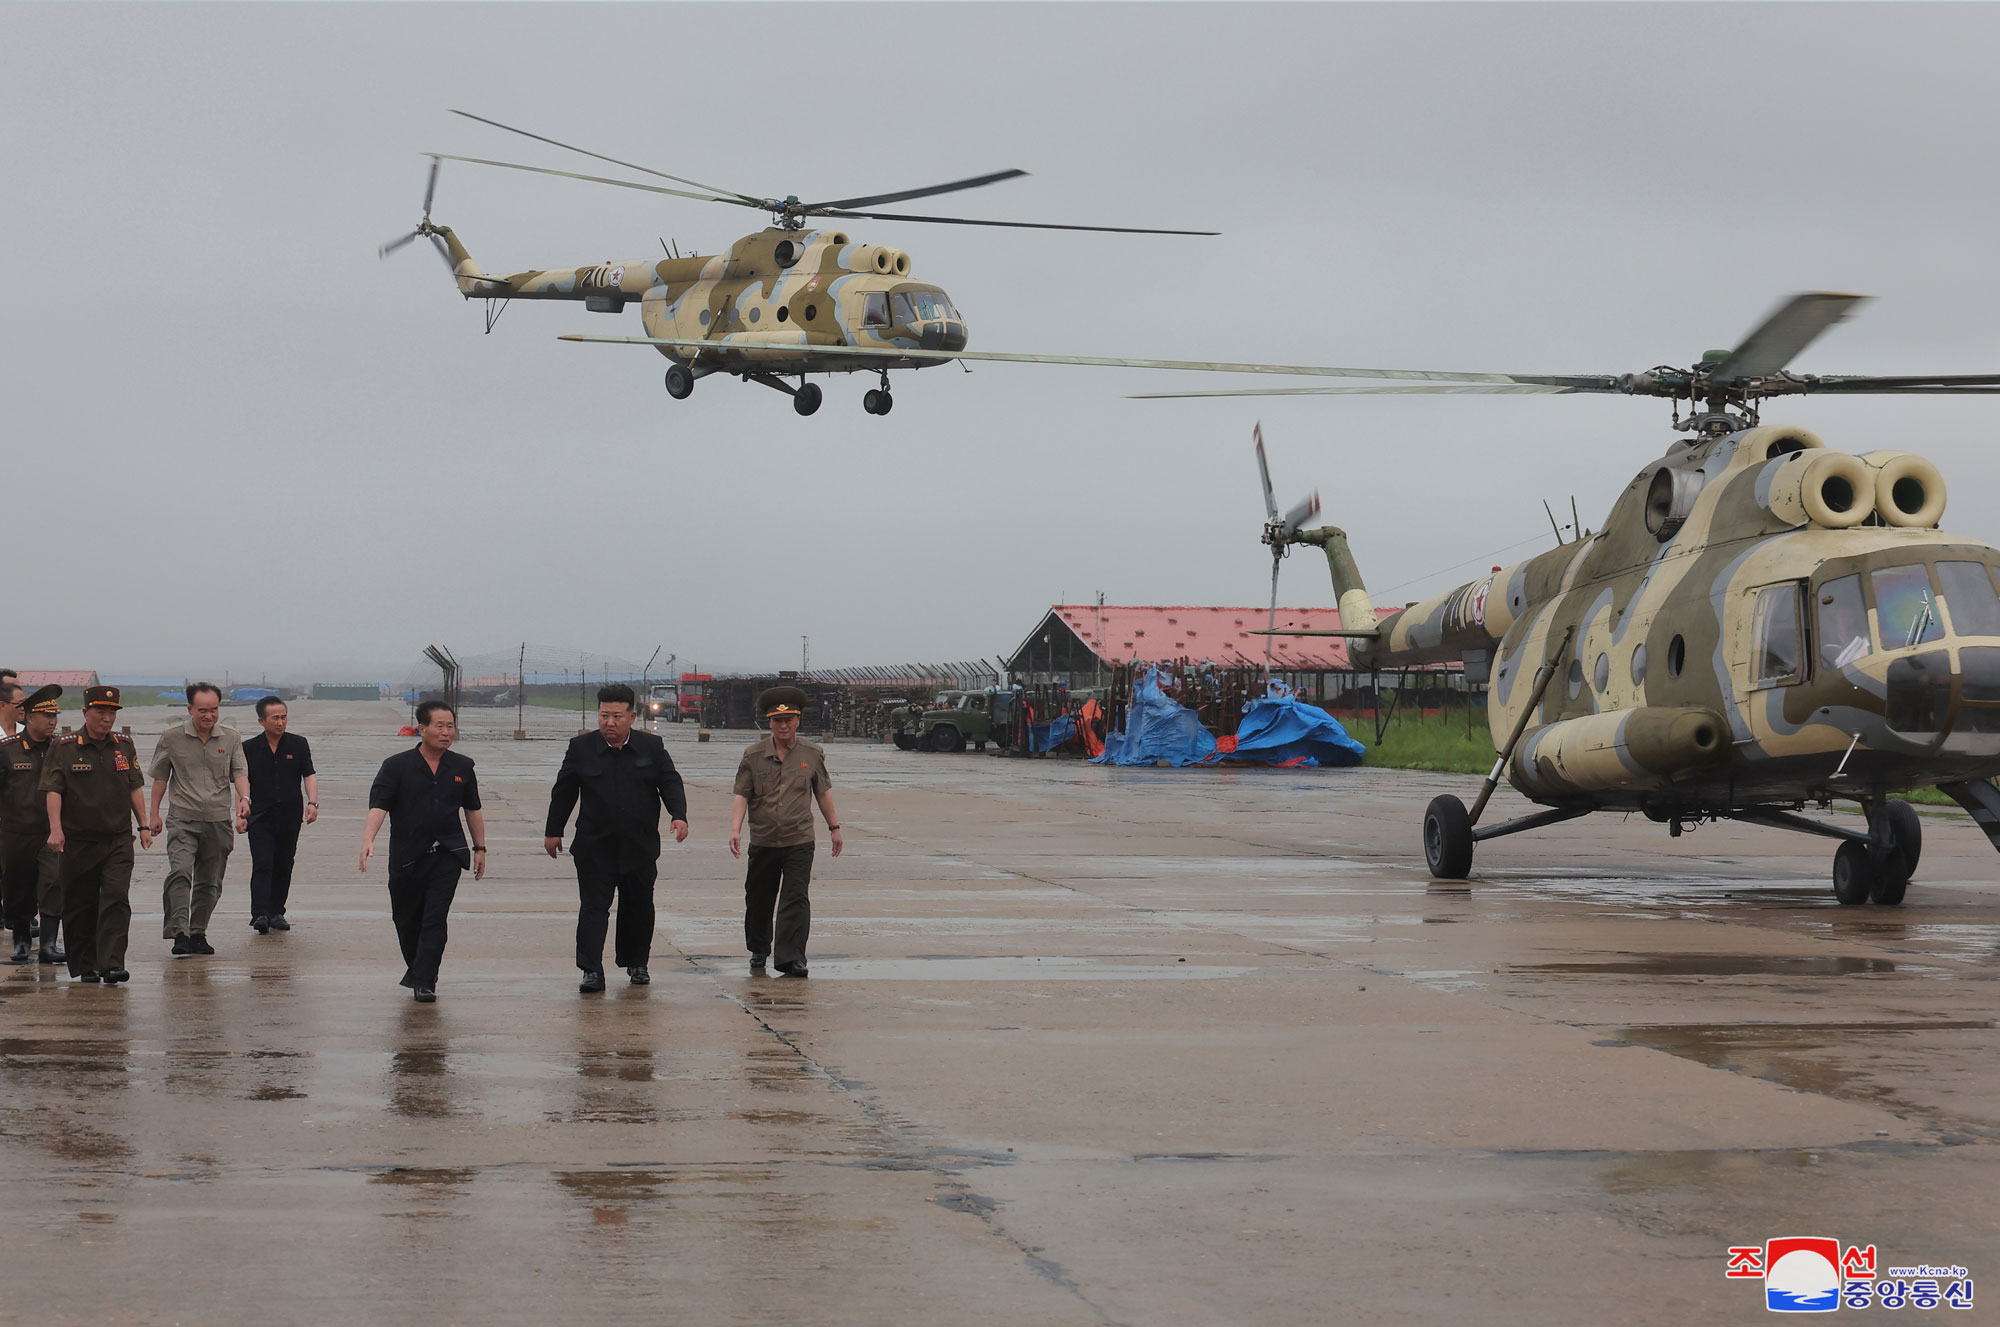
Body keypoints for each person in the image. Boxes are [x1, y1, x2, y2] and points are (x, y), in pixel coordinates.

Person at [544, 683, 688, 993]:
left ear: (632, 716)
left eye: (617, 716)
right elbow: (564, 791)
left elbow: (670, 783)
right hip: (595, 847)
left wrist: (679, 815)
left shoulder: (652, 747)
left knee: (638, 906)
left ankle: (637, 963)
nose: (610, 723)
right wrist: (553, 831)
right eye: (604, 716)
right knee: (594, 908)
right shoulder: (580, 748)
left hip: (639, 846)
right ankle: (591, 970)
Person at [360, 701, 485, 1003]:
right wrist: (368, 840)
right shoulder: (396, 765)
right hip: (407, 855)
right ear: (422, 728)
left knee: (434, 918)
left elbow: (473, 809)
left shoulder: (462, 766)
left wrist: (480, 847)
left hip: (447, 855)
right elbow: (379, 805)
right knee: (406, 919)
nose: (446, 732)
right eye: (439, 726)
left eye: (450, 726)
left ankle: (425, 979)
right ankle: (419, 969)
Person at [42, 686, 153, 984]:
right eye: (100, 712)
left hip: (117, 838)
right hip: (78, 840)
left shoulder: (123, 745)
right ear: (85, 713)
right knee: (80, 903)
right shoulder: (65, 746)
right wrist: (55, 829)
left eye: (112, 712)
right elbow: (54, 789)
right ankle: (85, 965)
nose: (107, 719)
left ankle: (112, 963)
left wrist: (143, 826)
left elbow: (134, 786)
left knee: (116, 898)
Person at [729, 686, 841, 977]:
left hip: (799, 838)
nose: (783, 725)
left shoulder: (812, 754)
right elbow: (742, 794)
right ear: (769, 722)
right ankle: (759, 948)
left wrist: (835, 828)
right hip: (764, 839)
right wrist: (735, 830)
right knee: (759, 897)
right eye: (777, 720)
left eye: (789, 719)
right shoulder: (753, 756)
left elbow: (823, 794)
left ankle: (792, 957)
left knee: (795, 897)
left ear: (798, 720)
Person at [147, 683, 249, 958]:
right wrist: (154, 813)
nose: (209, 715)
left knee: (210, 882)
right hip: (183, 819)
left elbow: (239, 772)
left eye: (214, 710)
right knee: (180, 872)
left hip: (217, 820)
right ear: (190, 709)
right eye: (202, 710)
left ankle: (198, 932)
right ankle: (179, 932)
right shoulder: (172, 737)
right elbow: (160, 777)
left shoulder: (231, 737)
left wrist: (244, 799)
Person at [242, 696, 318, 934]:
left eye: (283, 717)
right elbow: (242, 782)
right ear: (261, 720)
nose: (280, 722)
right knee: (263, 863)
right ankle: (260, 913)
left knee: (284, 864)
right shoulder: (249, 748)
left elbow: (309, 775)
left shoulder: (298, 744)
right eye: (275, 718)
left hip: (289, 815)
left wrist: (313, 802)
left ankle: (277, 912)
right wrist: (241, 813)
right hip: (260, 816)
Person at [1, 685, 66, 963]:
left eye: (55, 715)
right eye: (46, 715)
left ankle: (49, 943)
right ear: (29, 717)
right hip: (16, 831)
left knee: (53, 884)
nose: (52, 721)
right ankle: (21, 941)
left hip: (51, 832)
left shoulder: (62, 749)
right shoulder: (8, 750)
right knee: (17, 886)